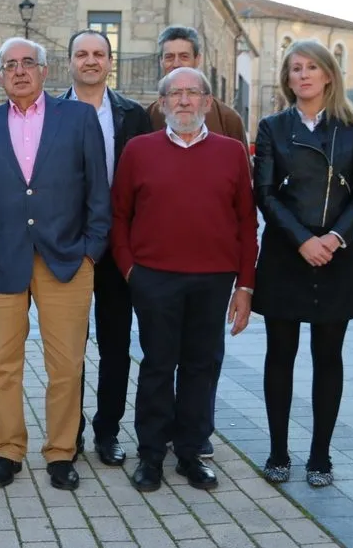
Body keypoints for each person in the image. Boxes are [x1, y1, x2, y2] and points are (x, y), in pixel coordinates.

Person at [0, 37, 110, 491]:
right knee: (4, 364)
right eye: (11, 65)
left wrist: (90, 252)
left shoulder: (78, 118)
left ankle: (61, 453)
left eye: (29, 63)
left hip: (67, 260)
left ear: (45, 71)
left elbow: (98, 193)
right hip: (2, 263)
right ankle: (8, 451)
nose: (20, 71)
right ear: (0, 75)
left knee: (66, 365)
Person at [111, 67, 257, 493]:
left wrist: (245, 285)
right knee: (158, 366)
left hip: (213, 280)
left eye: (193, 92)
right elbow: (119, 215)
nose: (184, 100)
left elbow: (247, 222)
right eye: (175, 94)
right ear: (162, 104)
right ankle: (151, 456)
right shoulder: (139, 150)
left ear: (208, 102)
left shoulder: (231, 152)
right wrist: (130, 270)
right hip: (154, 278)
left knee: (201, 367)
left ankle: (192, 453)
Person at [252, 40, 353, 487]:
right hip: (287, 252)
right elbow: (265, 192)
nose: (302, 75)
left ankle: (320, 456)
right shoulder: (272, 127)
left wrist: (335, 237)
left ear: (327, 74)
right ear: (287, 79)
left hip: (337, 255)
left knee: (328, 357)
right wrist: (303, 240)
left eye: (311, 67)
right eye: (295, 68)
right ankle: (278, 452)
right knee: (279, 355)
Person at [146, 25, 249, 459]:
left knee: (204, 357)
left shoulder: (228, 122)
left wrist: (242, 279)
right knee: (159, 357)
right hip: (159, 268)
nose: (176, 64)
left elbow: (243, 203)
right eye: (168, 58)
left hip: (211, 269)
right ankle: (158, 437)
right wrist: (133, 267)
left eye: (183, 56)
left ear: (198, 62)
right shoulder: (149, 117)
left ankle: (196, 431)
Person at [60, 29, 153, 467]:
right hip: (69, 247)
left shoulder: (134, 116)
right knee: (69, 348)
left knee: (116, 346)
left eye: (99, 53)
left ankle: (108, 431)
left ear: (110, 62)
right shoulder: (51, 113)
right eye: (82, 53)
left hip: (118, 249)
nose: (91, 60)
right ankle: (69, 432)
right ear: (70, 61)